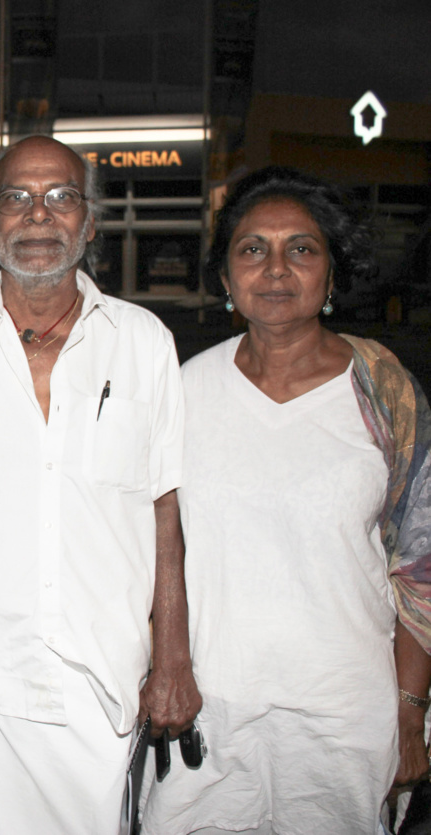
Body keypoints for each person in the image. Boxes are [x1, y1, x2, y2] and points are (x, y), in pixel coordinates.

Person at [0, 134, 202, 834]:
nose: (37, 216)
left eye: (59, 197)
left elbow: (164, 513)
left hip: (101, 677)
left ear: (88, 221)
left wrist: (172, 658)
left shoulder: (143, 341)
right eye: (17, 199)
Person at [140, 166, 431, 835]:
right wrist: (164, 666)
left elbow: (419, 562)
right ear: (224, 277)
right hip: (208, 709)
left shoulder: (383, 390)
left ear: (332, 273)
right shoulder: (182, 391)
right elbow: (155, 550)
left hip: (342, 715)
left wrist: (408, 709)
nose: (275, 268)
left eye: (301, 248)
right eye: (252, 248)